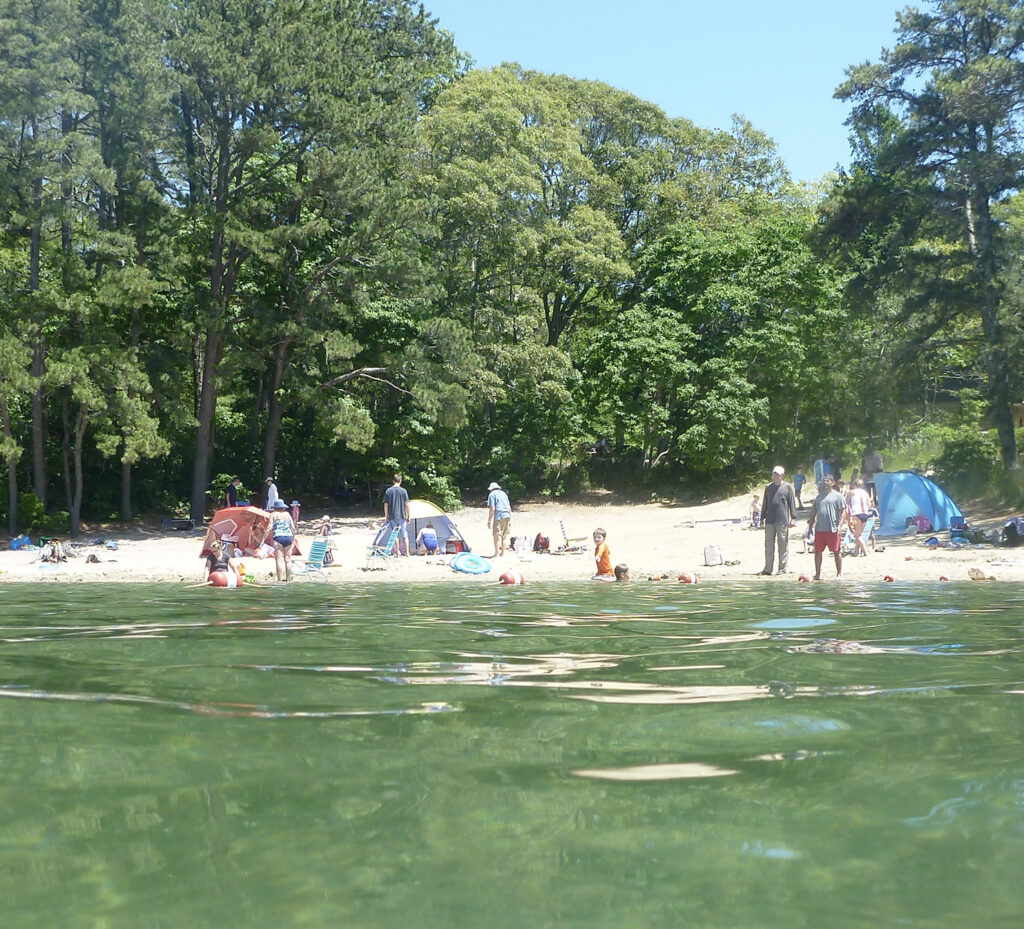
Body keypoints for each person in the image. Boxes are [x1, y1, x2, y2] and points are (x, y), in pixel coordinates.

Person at [808, 474, 847, 580]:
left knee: (836, 551)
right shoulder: (818, 497)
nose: (826, 483)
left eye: (828, 481)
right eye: (824, 481)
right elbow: (813, 513)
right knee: (818, 551)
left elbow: (844, 512)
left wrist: (840, 526)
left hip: (833, 528)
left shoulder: (838, 496)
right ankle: (817, 574)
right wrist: (810, 527)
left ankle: (839, 573)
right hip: (820, 529)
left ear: (833, 483)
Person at [760, 465, 796, 575]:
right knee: (769, 545)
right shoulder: (768, 487)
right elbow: (765, 503)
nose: (776, 476)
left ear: (782, 475)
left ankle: (782, 568)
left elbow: (792, 503)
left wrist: (793, 518)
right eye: (775, 474)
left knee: (783, 544)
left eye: (778, 474)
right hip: (770, 520)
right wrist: (762, 518)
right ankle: (768, 568)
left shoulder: (788, 487)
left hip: (783, 520)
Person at [266, 499, 297, 581]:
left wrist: (263, 540)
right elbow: (293, 528)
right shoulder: (287, 514)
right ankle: (287, 580)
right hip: (289, 537)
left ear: (275, 507)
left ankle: (279, 580)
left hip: (278, 537)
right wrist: (293, 539)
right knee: (288, 560)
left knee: (279, 560)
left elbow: (269, 528)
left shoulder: (273, 514)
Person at [383, 473, 410, 556]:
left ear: (393, 481)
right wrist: (409, 516)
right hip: (402, 516)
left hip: (392, 516)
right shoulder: (403, 491)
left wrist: (386, 516)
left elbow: (386, 505)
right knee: (404, 535)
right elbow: (407, 505)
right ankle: (407, 553)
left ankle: (397, 553)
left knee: (395, 535)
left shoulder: (388, 491)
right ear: (400, 481)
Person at [847, 478, 872, 557]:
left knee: (857, 535)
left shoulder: (851, 492)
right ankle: (856, 551)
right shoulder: (865, 493)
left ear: (854, 484)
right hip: (865, 513)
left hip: (856, 513)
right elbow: (869, 504)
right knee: (859, 534)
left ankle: (865, 552)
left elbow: (846, 502)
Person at [487, 481, 512, 557]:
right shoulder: (504, 494)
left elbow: (493, 509)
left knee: (496, 535)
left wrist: (489, 520)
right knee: (504, 536)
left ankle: (497, 553)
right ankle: (503, 553)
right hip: (507, 515)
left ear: (492, 489)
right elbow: (509, 507)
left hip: (499, 516)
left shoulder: (492, 495)